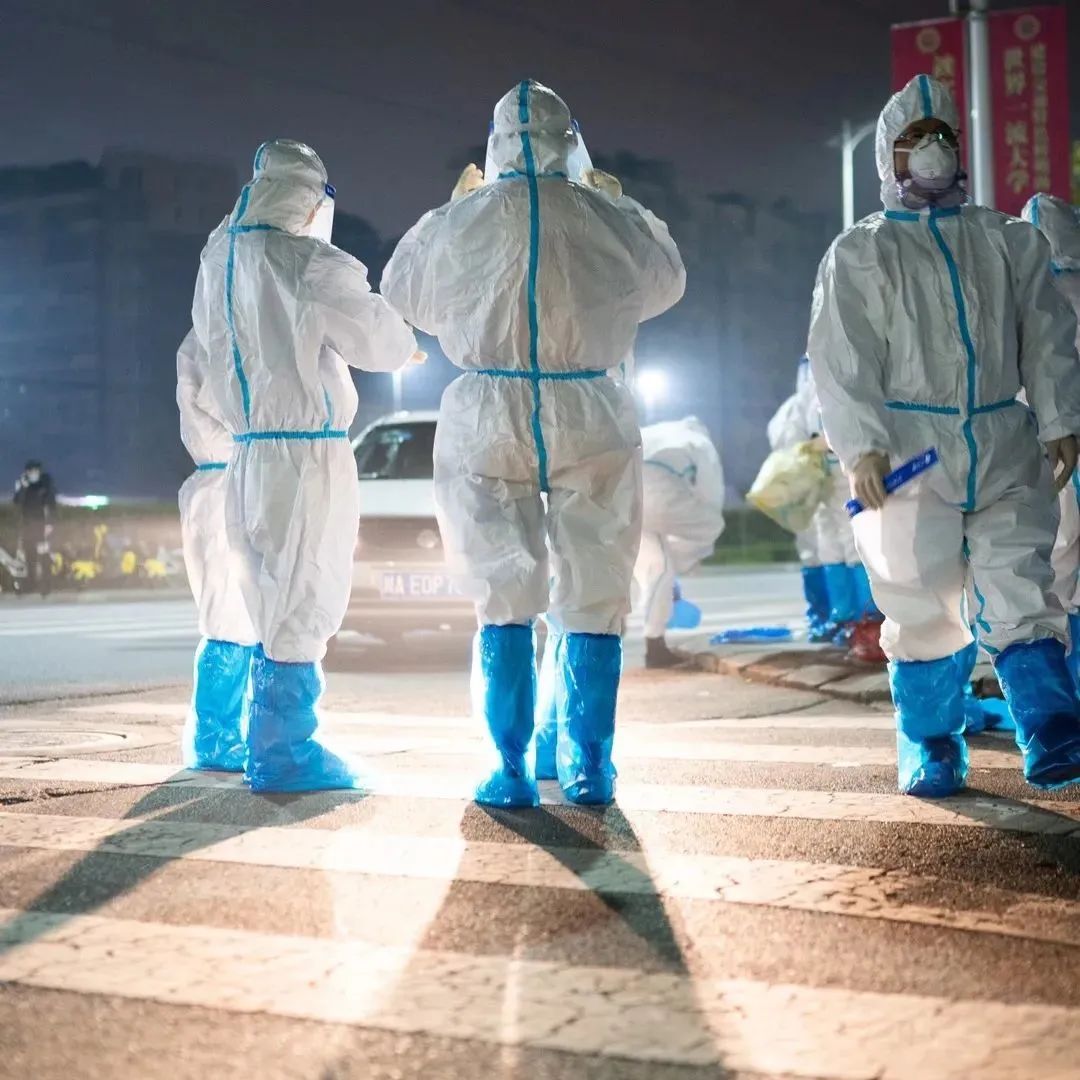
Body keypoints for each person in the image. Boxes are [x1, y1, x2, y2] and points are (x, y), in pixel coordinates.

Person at [382, 80, 685, 808]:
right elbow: (666, 283)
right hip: (590, 405)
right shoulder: (603, 215)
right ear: (569, 142)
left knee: (502, 592)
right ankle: (587, 765)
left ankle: (510, 766)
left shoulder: (461, 220)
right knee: (595, 588)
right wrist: (621, 205)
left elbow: (402, 292)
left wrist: (452, 211)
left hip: (489, 409)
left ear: (495, 145)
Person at [809, 74, 1080, 798]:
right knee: (919, 596)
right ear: (887, 156)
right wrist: (861, 445)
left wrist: (1060, 418)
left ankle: (1051, 727)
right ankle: (931, 742)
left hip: (1002, 434)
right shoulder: (860, 253)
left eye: (942, 134)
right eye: (913, 137)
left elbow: (1047, 334)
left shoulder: (1008, 240)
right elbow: (842, 357)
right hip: (907, 450)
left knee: (1020, 577)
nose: (931, 147)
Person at [189, 139, 418, 793]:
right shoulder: (305, 261)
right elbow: (380, 341)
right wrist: (401, 345)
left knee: (264, 596)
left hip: (245, 454)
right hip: (304, 454)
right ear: (310, 199)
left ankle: (260, 740)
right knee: (304, 591)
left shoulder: (219, 259)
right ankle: (285, 752)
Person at [176, 328, 258, 772]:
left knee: (240, 618)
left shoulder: (211, 331)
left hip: (227, 481)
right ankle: (219, 738)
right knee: (230, 618)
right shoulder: (218, 332)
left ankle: (229, 734)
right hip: (226, 487)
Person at [766, 359, 877, 647]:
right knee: (849, 545)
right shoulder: (830, 392)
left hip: (828, 480)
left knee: (836, 545)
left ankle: (849, 620)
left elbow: (787, 440)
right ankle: (864, 621)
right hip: (840, 477)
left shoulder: (801, 402)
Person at [1022, 193, 1080, 690]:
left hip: (1047, 448)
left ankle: (1060, 686)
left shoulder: (1026, 296)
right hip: (1059, 442)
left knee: (1051, 562)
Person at [633, 416, 726, 668]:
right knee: (712, 524)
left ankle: (654, 646)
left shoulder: (652, 432)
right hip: (658, 492)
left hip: (621, 492)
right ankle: (678, 570)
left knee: (657, 566)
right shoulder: (700, 442)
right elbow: (710, 495)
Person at [13, 460, 56, 596]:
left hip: (41, 526)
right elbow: (18, 502)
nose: (33, 474)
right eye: (31, 472)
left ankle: (46, 586)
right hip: (27, 526)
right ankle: (30, 585)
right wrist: (22, 488)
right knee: (29, 556)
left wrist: (49, 523)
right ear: (27, 473)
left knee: (43, 556)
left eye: (36, 471)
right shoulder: (23, 485)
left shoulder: (45, 485)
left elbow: (50, 504)